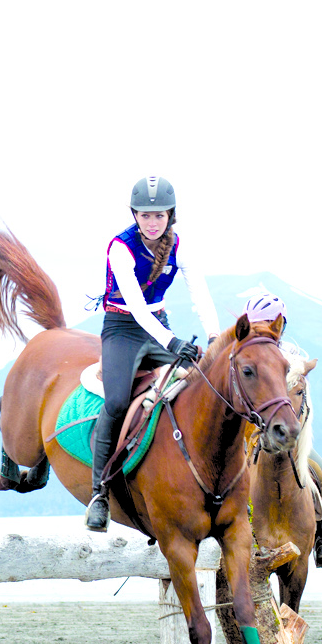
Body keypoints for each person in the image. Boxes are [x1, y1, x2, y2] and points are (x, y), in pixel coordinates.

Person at [86, 176, 223, 531]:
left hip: (158, 324)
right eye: (144, 216)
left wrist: (214, 336)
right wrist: (173, 343)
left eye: (158, 215)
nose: (151, 222)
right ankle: (99, 492)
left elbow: (200, 294)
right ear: (135, 215)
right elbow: (135, 305)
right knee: (116, 402)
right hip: (122, 329)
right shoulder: (120, 247)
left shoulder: (181, 246)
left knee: (200, 384)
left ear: (170, 215)